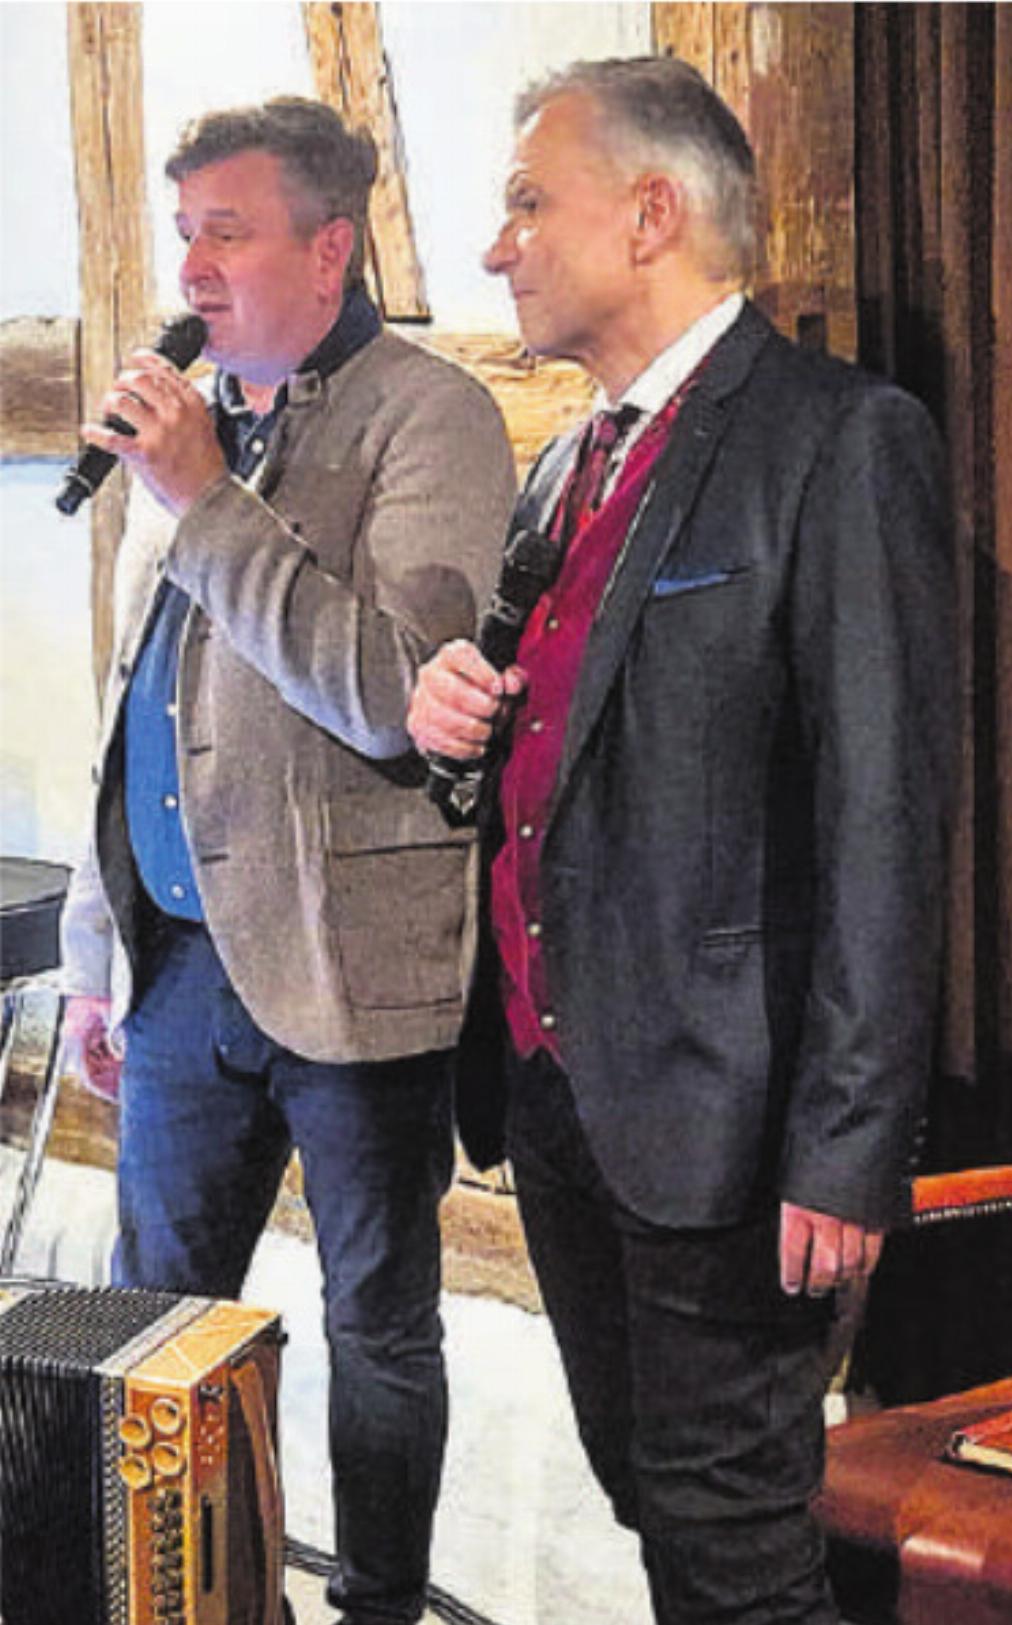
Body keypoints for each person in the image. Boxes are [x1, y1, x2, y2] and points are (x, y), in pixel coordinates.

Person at [408, 57, 956, 1625]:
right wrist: (457, 730)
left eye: (530, 203)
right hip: (564, 1102)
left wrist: (847, 1148)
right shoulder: (568, 463)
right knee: (650, 1496)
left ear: (650, 214)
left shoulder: (835, 439)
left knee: (734, 1542)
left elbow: (886, 818)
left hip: (733, 1119)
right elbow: (564, 766)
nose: (498, 245)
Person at [59, 96, 516, 1625]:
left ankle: (377, 1604)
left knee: (378, 1321)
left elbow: (394, 686)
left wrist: (206, 500)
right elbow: (129, 701)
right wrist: (94, 949)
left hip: (347, 963)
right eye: (183, 233)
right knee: (155, 1324)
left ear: (329, 251)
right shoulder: (193, 429)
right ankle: (186, 1597)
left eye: (228, 233)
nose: (192, 269)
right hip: (179, 965)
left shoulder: (429, 416)